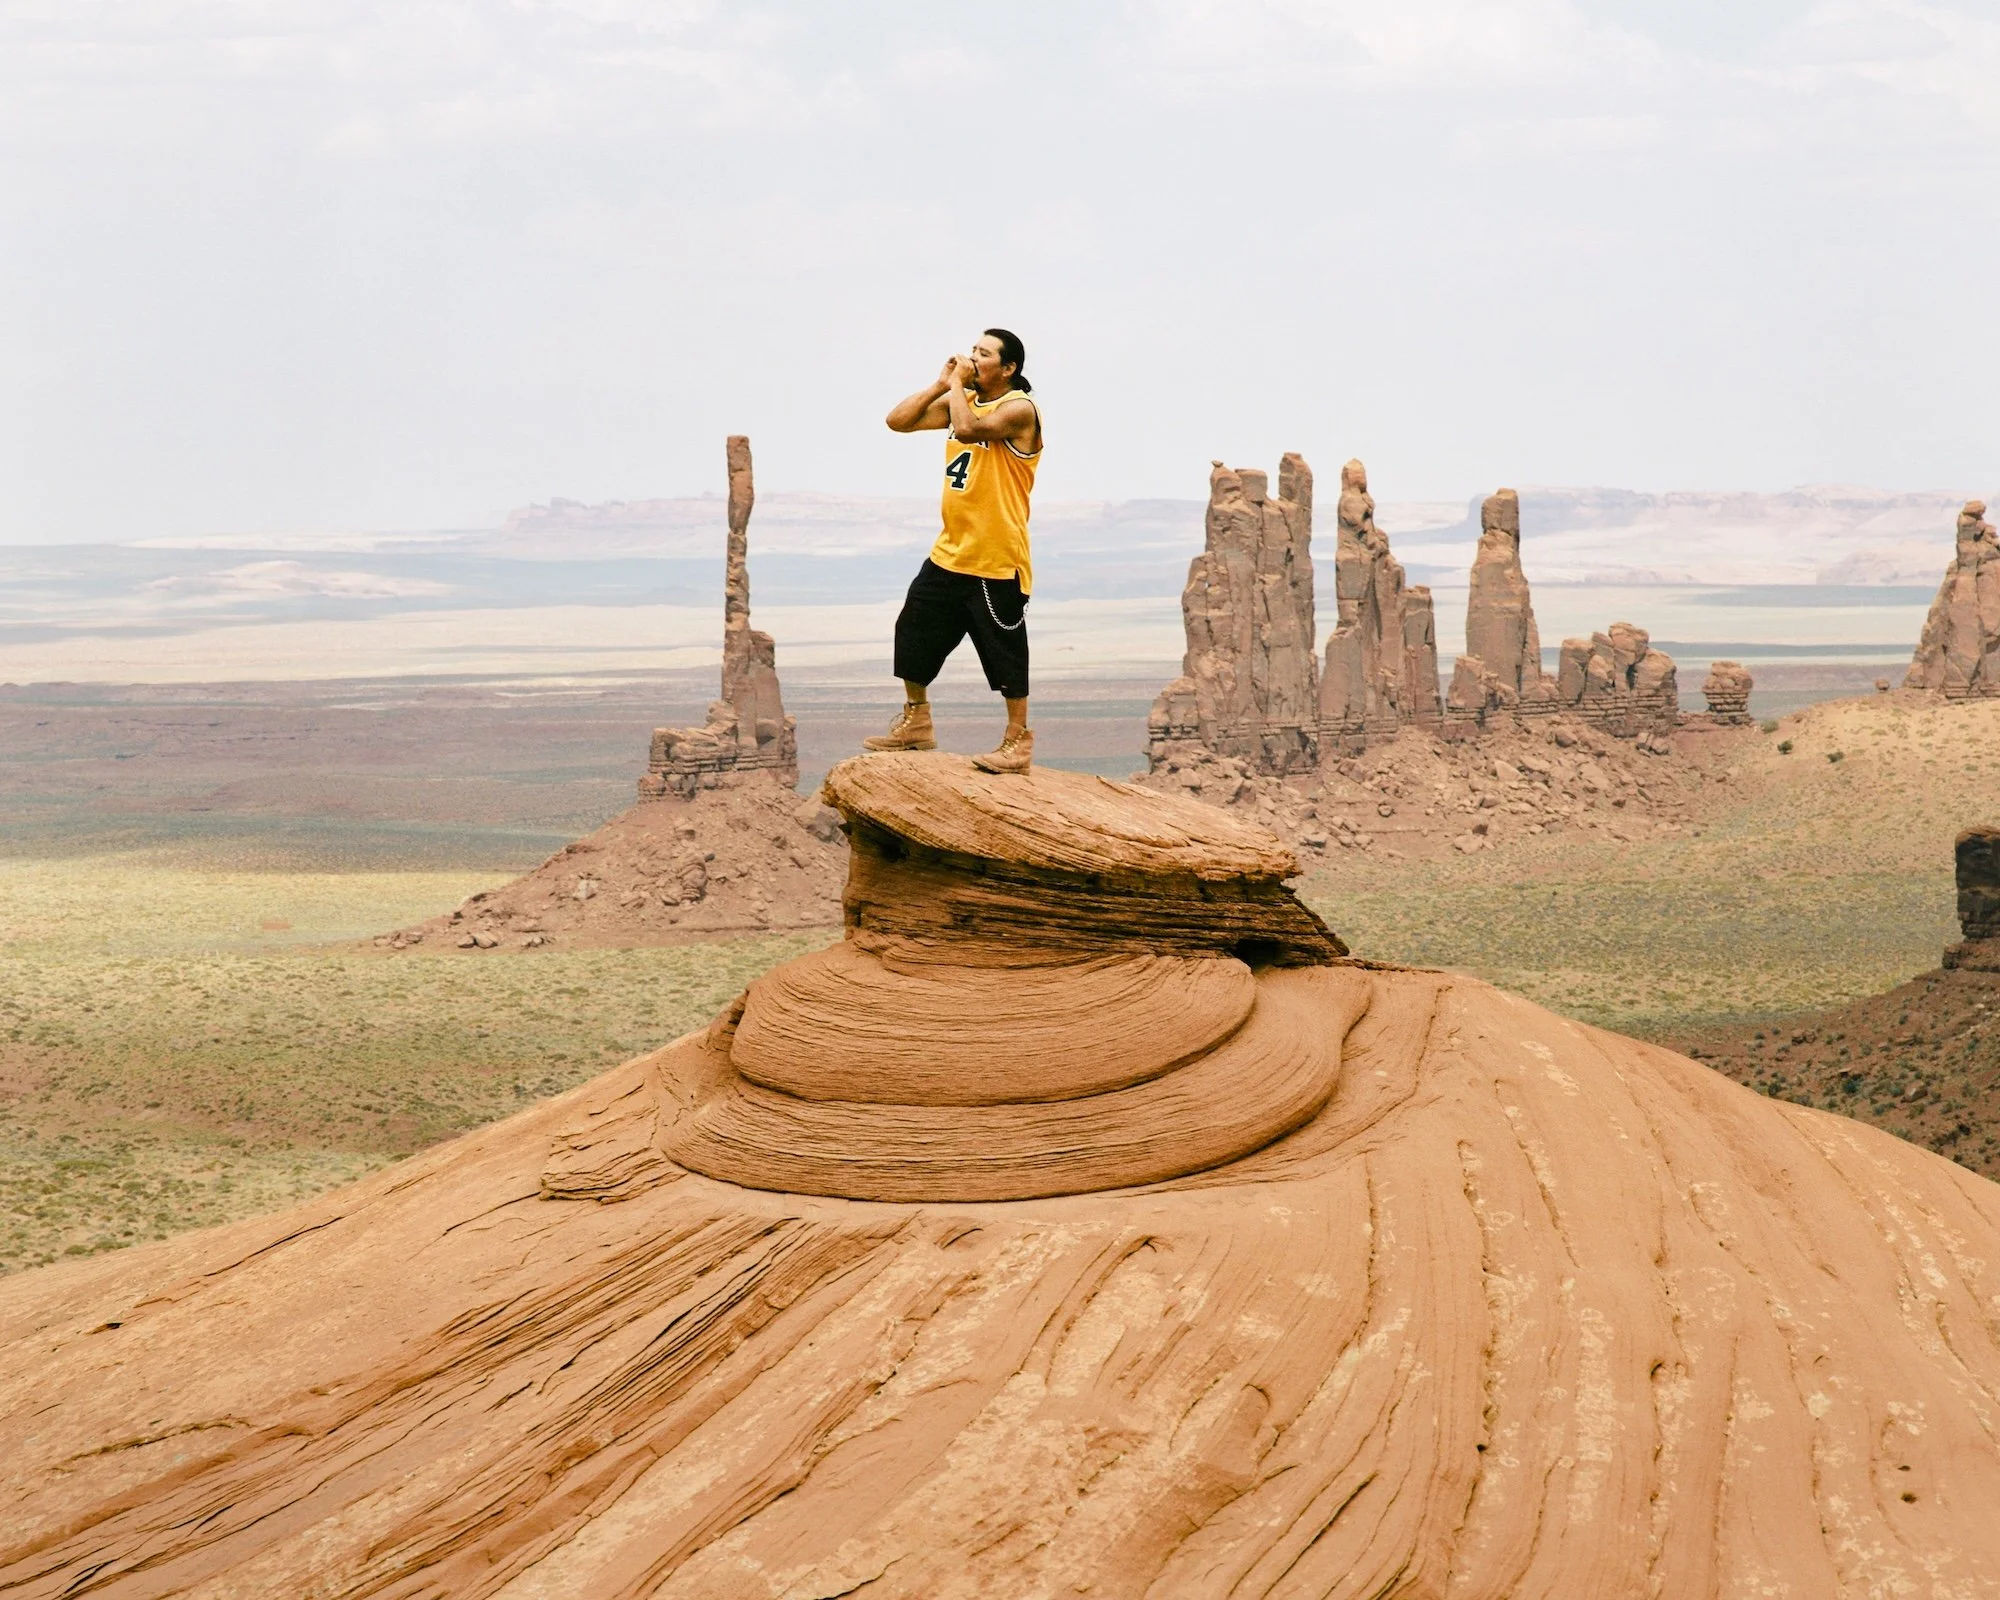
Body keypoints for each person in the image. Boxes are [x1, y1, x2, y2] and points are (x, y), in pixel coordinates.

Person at [864, 327, 1043, 774]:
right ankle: (916, 722)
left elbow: (966, 429)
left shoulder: (1018, 409)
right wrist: (938, 385)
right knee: (913, 631)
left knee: (1005, 652)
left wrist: (958, 389)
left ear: (1009, 368)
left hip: (996, 558)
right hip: (950, 553)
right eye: (973, 350)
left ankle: (1016, 743)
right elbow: (897, 421)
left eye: (984, 355)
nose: (972, 358)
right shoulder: (963, 399)